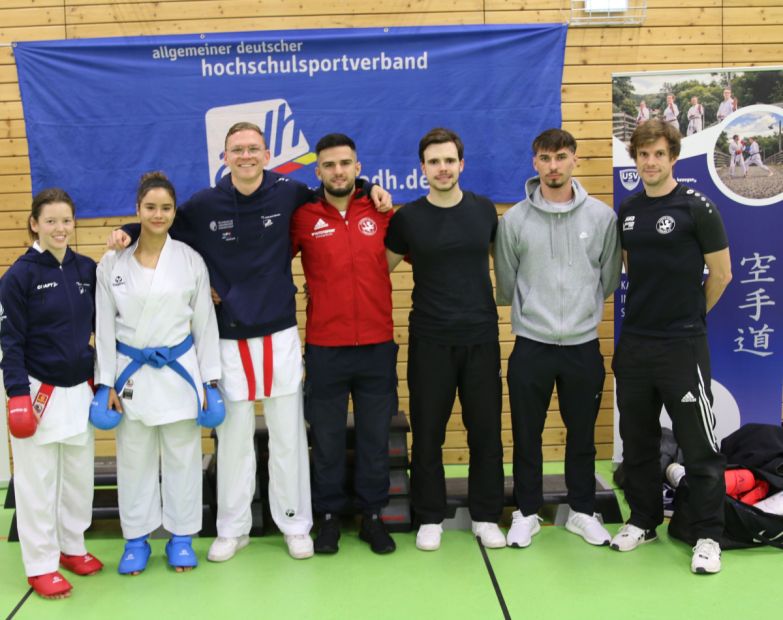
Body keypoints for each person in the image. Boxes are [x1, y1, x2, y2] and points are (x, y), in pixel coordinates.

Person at [109, 122, 391, 562]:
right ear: (225, 158)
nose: (245, 156)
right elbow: (159, 223)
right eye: (236, 150)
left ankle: (296, 523)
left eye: (253, 149)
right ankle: (232, 528)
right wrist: (128, 229)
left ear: (266, 154)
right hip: (228, 337)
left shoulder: (290, 192)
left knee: (288, 435)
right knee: (234, 437)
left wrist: (371, 187)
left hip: (279, 332)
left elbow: (338, 190)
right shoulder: (203, 205)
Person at [611, 119, 732, 575]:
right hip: (636, 344)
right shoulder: (629, 208)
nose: (650, 161)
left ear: (673, 157)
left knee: (698, 446)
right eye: (643, 154)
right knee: (637, 441)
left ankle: (707, 536)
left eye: (659, 153)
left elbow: (721, 275)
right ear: (635, 158)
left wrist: (690, 317)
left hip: (682, 346)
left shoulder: (697, 206)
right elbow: (630, 268)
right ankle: (643, 520)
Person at [494, 129, 621, 549]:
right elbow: (508, 285)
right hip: (531, 344)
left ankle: (582, 512)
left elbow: (605, 280)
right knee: (526, 434)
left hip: (583, 346)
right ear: (534, 163)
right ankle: (526, 512)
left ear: (574, 161)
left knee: (583, 434)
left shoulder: (602, 218)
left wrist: (579, 312)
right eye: (545, 158)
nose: (553, 166)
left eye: (561, 157)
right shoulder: (513, 221)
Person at [95, 172, 222, 574]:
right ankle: (136, 539)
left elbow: (205, 324)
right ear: (137, 210)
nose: (158, 214)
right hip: (130, 374)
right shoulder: (112, 262)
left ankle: (181, 537)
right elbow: (104, 325)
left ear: (173, 212)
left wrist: (210, 382)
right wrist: (104, 385)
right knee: (133, 460)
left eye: (166, 208)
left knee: (184, 458)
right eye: (150, 207)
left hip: (179, 373)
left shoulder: (189, 260)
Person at [385, 128, 505, 551]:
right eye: (434, 161)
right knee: (429, 432)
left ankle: (487, 516)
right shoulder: (408, 219)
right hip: (430, 340)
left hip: (480, 337)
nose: (442, 168)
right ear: (422, 168)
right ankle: (430, 516)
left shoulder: (484, 211)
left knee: (486, 431)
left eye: (449, 160)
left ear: (461, 164)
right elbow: (378, 271)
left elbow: (506, 263)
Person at [290, 134, 397, 555]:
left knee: (374, 438)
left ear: (358, 167)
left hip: (376, 345)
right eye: (329, 165)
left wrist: (373, 189)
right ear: (318, 171)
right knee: (328, 440)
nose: (338, 171)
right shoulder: (302, 216)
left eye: (346, 164)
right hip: (325, 347)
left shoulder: (381, 210)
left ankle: (372, 517)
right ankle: (329, 517)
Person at [0, 189, 102, 599]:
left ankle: (71, 546)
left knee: (78, 477)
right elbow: (10, 340)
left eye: (66, 221)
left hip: (79, 386)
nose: (60, 228)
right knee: (37, 482)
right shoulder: (18, 276)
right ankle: (40, 563)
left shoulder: (85, 268)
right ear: (34, 224)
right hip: (37, 389)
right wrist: (16, 394)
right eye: (52, 221)